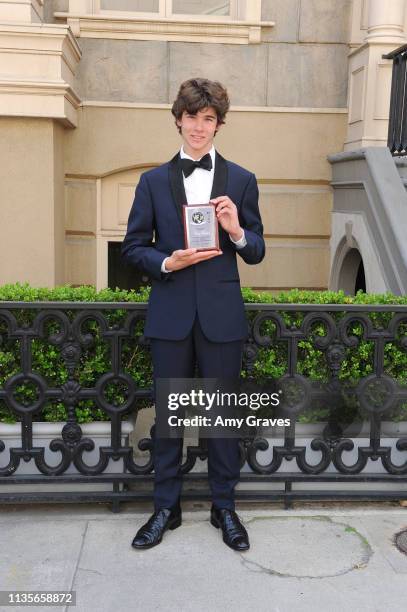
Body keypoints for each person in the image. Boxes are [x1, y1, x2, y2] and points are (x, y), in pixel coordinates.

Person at [121, 78, 265, 551]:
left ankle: (224, 507)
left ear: (218, 124)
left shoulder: (242, 180)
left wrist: (236, 229)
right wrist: (167, 262)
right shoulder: (151, 181)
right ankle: (166, 507)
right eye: (192, 117)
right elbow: (132, 248)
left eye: (209, 119)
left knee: (222, 418)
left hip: (221, 316)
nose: (199, 127)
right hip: (171, 314)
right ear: (178, 119)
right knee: (170, 417)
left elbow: (257, 252)